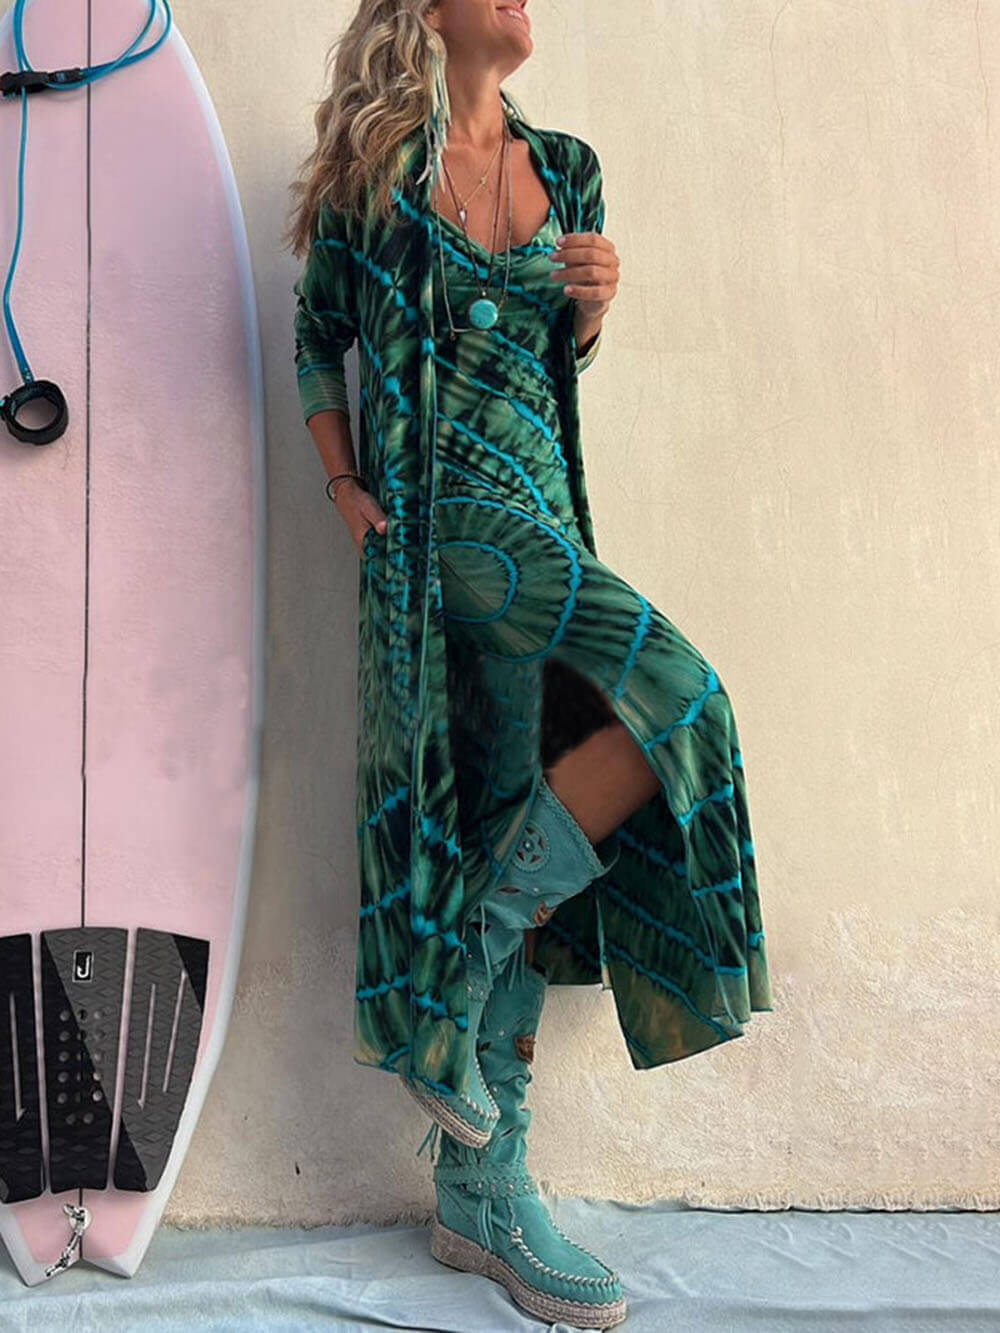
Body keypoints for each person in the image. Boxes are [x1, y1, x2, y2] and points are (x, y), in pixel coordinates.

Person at [286, 2, 775, 1326]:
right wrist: (343, 486)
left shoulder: (568, 167)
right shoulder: (379, 172)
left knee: (517, 811)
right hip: (443, 540)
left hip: (548, 523)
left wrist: (596, 311)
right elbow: (317, 338)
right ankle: (459, 984)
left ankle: (481, 1194)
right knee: (685, 693)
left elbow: (556, 365)